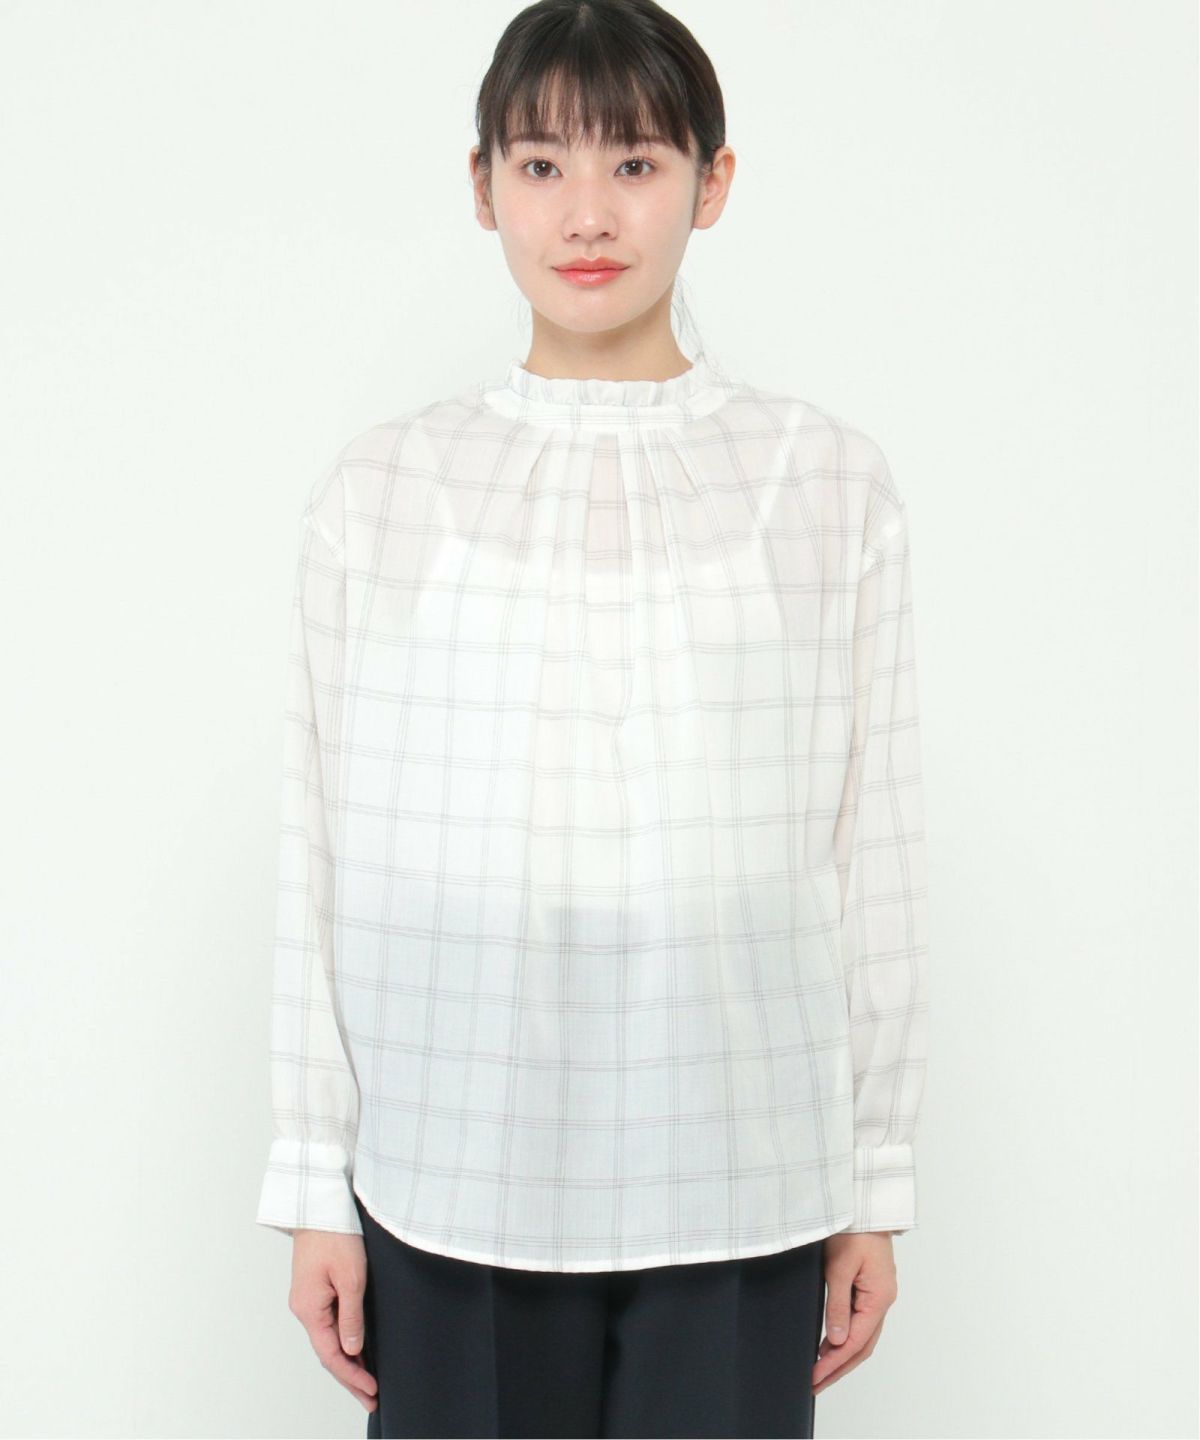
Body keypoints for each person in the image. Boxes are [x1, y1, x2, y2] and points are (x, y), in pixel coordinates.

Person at [255, 1, 929, 1436]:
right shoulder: (384, 491)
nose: (588, 214)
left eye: (635, 164)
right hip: (455, 1162)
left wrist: (873, 1177)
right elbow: (322, 848)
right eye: (543, 164)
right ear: (483, 185)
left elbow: (868, 843)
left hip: (739, 1164)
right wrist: (314, 1175)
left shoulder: (821, 482)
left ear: (711, 182)